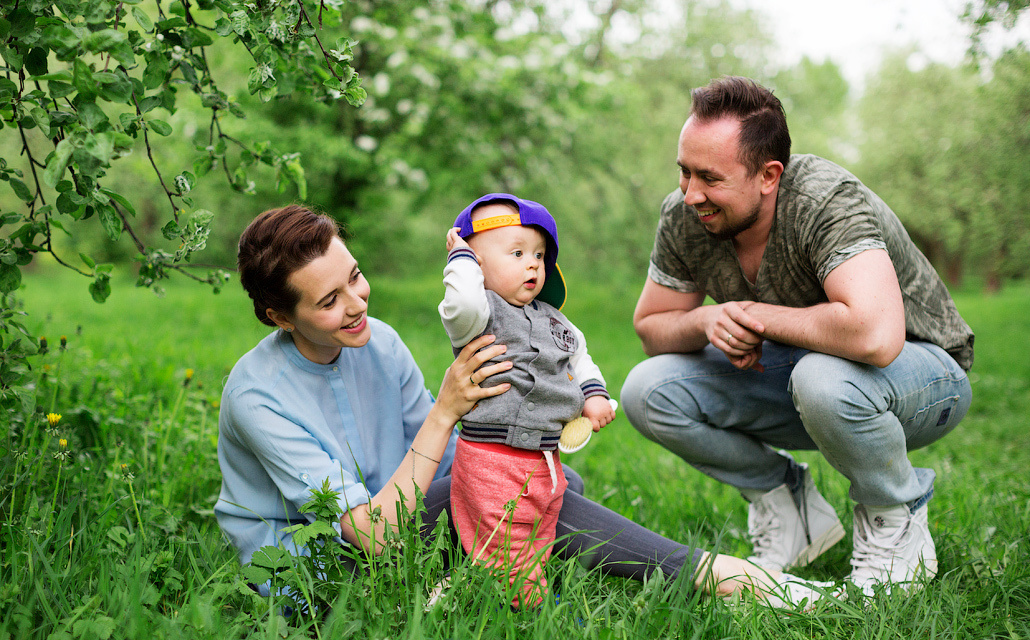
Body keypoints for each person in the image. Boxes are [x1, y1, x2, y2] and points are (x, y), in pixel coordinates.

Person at [214, 203, 833, 611]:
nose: (357, 303)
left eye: (355, 276)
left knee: (543, 479)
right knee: (535, 493)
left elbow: (463, 462)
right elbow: (369, 534)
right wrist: (446, 410)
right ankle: (718, 576)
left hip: (406, 519)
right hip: (323, 569)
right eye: (329, 300)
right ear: (279, 316)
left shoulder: (378, 341)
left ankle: (466, 579)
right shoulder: (257, 397)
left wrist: (522, 441)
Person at [621, 76, 974, 597]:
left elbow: (876, 337)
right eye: (683, 171)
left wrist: (754, 314)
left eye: (709, 178)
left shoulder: (825, 200)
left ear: (768, 175)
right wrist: (703, 322)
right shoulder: (685, 216)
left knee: (823, 377)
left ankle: (894, 520)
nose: (691, 193)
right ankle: (788, 504)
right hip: (803, 380)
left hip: (923, 377)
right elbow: (652, 328)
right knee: (646, 389)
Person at [438, 193, 616, 607]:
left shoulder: (555, 317)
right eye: (517, 253)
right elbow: (461, 301)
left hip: (545, 459)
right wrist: (460, 261)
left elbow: (579, 356)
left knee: (538, 534)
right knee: (507, 541)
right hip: (493, 456)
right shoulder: (477, 315)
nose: (533, 263)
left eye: (539, 254)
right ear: (477, 264)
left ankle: (477, 590)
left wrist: (593, 394)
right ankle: (534, 613)